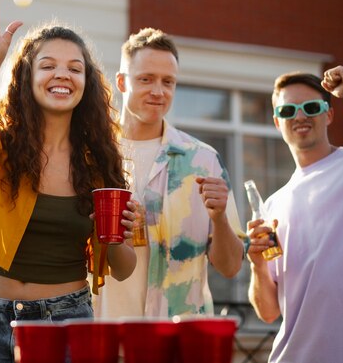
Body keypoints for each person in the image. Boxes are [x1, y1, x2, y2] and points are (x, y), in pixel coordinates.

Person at [0, 0, 137, 363]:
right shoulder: (0, 144)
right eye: (47, 65)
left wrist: (115, 236)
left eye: (74, 68)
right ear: (27, 77)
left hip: (66, 322)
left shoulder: (101, 164)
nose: (61, 75)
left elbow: (123, 267)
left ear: (86, 83)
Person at [95, 27, 245, 319]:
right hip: (102, 334)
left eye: (168, 82)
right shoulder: (90, 155)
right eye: (146, 79)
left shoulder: (203, 160)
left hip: (179, 339)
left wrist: (219, 217)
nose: (158, 91)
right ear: (122, 82)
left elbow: (230, 267)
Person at [247, 68, 343, 363]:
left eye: (311, 107)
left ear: (329, 114)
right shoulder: (273, 205)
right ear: (277, 121)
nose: (299, 117)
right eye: (288, 110)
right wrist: (258, 266)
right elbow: (269, 312)